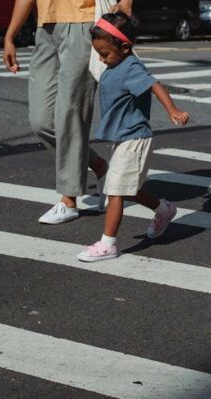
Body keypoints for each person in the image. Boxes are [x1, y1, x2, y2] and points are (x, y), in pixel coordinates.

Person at [2, 0, 132, 223]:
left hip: (82, 22)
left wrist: (127, 2)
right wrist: (9, 36)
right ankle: (100, 166)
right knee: (41, 121)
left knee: (70, 114)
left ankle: (68, 200)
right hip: (45, 27)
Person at [77, 12, 189, 262]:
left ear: (125, 47)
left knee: (115, 190)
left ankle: (108, 244)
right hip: (123, 138)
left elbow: (154, 85)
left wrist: (172, 109)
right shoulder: (115, 63)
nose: (102, 59)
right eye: (98, 53)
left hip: (135, 138)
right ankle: (164, 209)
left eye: (105, 53)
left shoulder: (131, 66)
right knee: (127, 189)